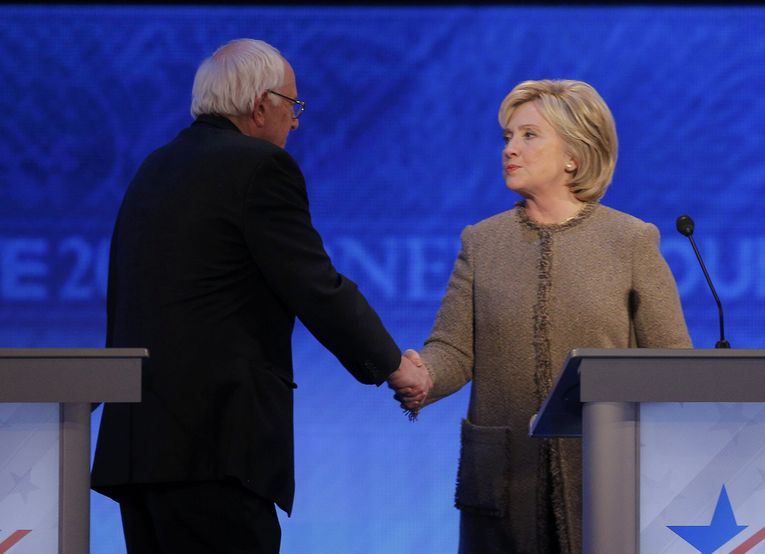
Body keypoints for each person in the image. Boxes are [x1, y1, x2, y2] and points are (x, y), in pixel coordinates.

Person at [91, 38, 431, 554]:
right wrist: (393, 365)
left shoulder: (153, 168)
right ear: (260, 106)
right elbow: (314, 284)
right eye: (293, 106)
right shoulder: (258, 167)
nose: (295, 122)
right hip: (213, 449)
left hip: (139, 449)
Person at [399, 80, 692, 553]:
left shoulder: (631, 241)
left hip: (604, 478)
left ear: (574, 153)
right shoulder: (482, 241)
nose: (510, 149)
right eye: (508, 138)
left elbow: (674, 364)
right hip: (503, 478)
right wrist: (423, 376)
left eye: (529, 135)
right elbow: (453, 347)